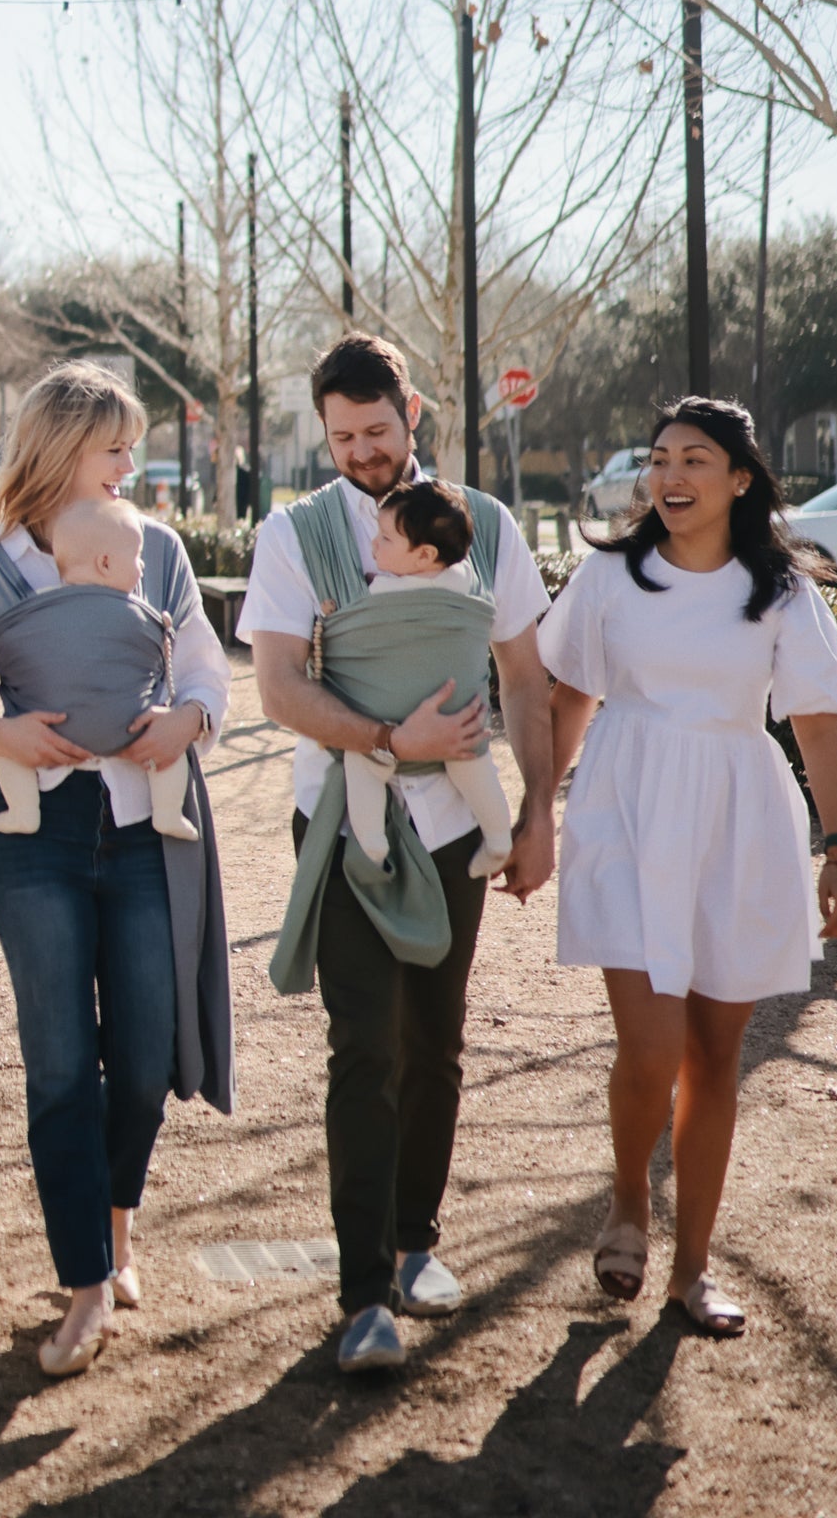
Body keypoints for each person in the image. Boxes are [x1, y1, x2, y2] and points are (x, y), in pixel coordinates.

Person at [238, 333, 555, 1375]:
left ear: (410, 411)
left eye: (376, 431)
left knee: (435, 1039)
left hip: (458, 824)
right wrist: (385, 740)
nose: (361, 453)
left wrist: (536, 806)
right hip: (341, 816)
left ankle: (417, 1240)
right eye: (341, 437)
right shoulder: (296, 533)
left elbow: (521, 673)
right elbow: (278, 684)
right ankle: (360, 1290)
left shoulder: (485, 526)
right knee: (360, 1046)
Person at [540, 397, 837, 1338]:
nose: (670, 476)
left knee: (715, 1055)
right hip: (628, 812)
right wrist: (531, 816)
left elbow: (817, 727)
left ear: (740, 480)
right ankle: (629, 1203)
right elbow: (567, 700)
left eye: (693, 459)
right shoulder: (609, 577)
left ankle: (691, 1271)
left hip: (738, 820)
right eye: (659, 458)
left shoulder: (782, 592)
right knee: (647, 1050)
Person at [0, 361, 232, 1379]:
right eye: (115, 445)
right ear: (60, 445)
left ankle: (118, 1223)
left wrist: (188, 719)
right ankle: (82, 1284)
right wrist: (0, 733)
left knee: (147, 1054)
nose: (129, 462)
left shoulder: (155, 551)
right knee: (62, 1062)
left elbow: (204, 668)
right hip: (34, 844)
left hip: (149, 829)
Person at [0, 496, 196, 843]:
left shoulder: (35, 611)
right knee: (171, 754)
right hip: (129, 731)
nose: (142, 567)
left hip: (49, 732)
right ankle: (168, 813)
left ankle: (23, 811)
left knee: (9, 753)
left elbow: (9, 647)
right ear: (106, 563)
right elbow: (165, 654)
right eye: (137, 557)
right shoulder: (141, 612)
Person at [345, 480, 514, 878]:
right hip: (457, 714)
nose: (373, 545)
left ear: (423, 555)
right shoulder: (467, 585)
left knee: (361, 757)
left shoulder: (381, 589)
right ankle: (498, 838)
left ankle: (370, 839)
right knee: (475, 769)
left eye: (385, 538)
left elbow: (358, 634)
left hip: (388, 709)